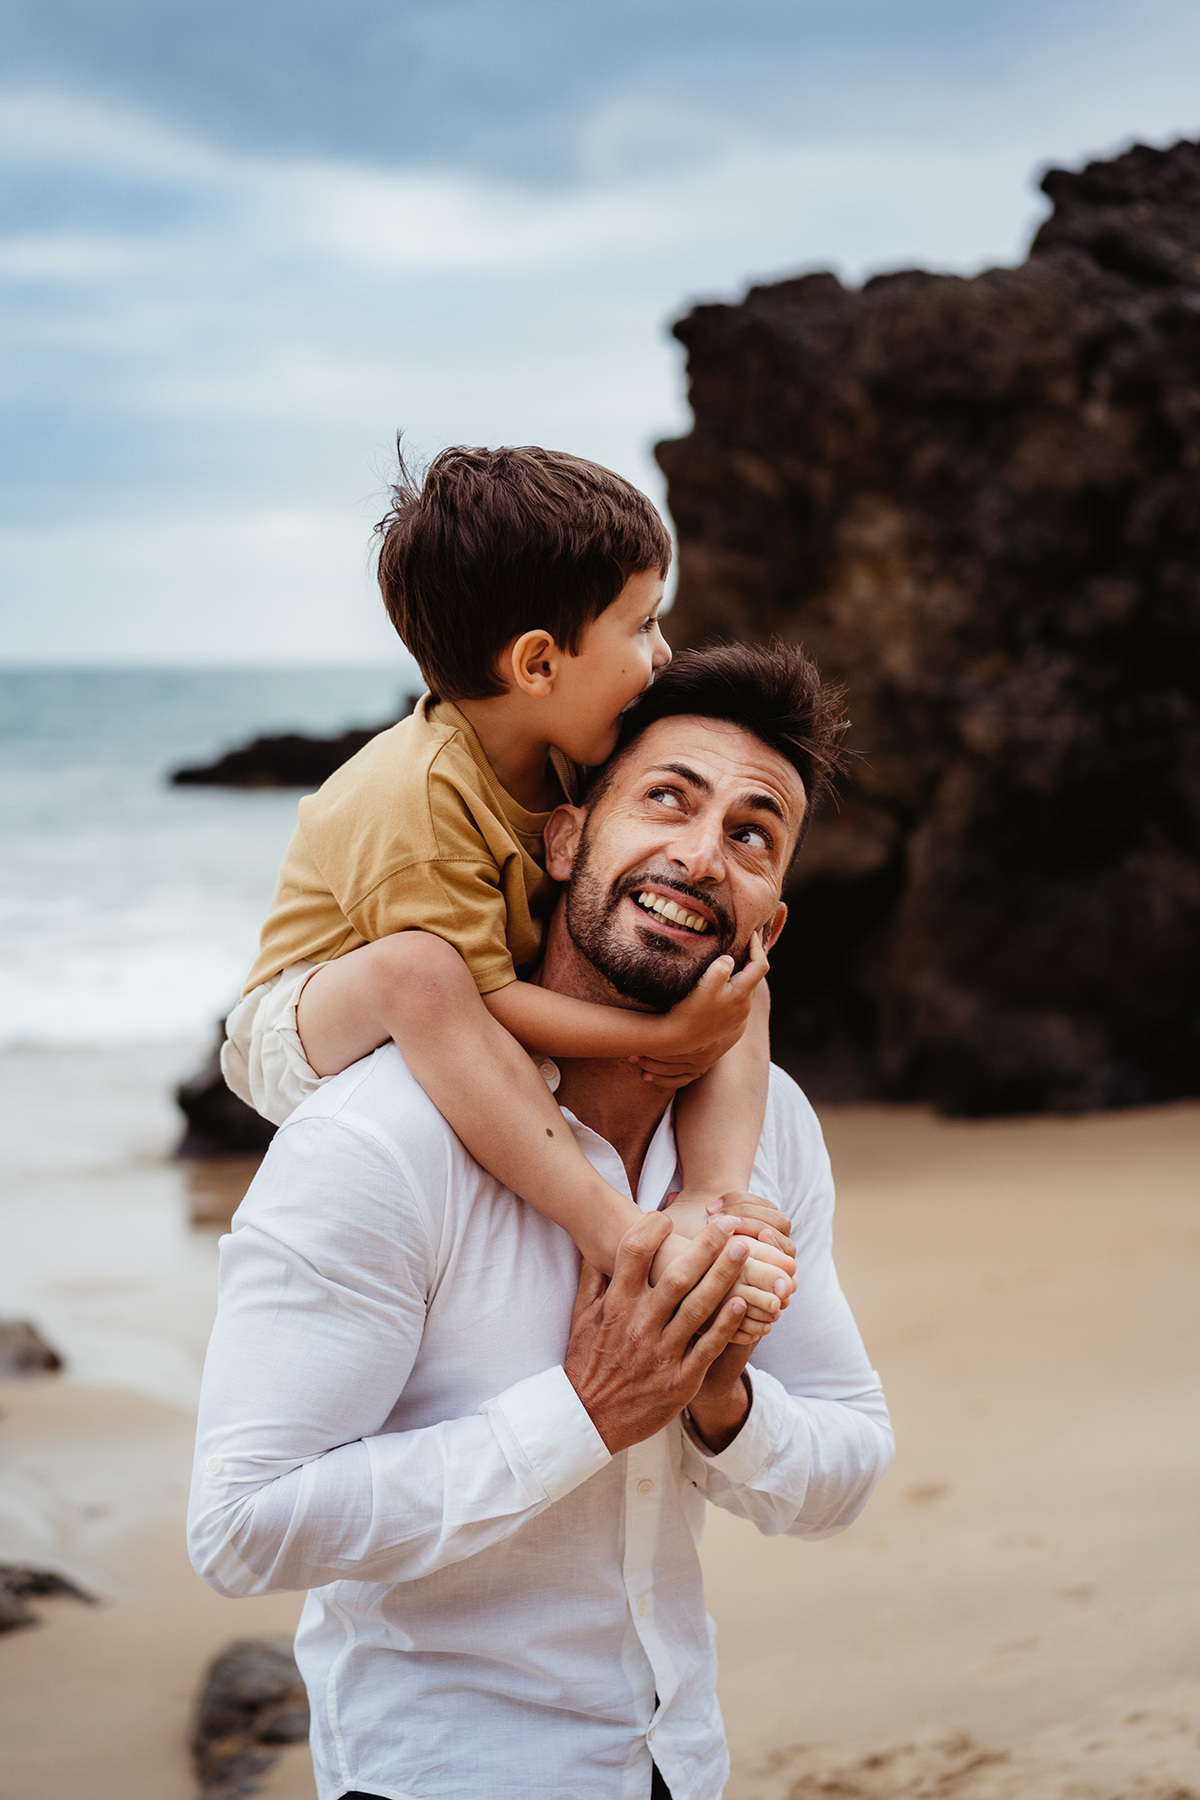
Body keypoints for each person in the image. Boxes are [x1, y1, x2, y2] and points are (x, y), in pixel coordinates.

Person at [189, 643, 894, 1800]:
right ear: (565, 838)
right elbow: (243, 1527)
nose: (701, 854)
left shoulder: (770, 1136)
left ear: (772, 916)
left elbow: (850, 1462)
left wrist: (720, 1397)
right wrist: (586, 1413)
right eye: (667, 797)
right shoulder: (381, 1141)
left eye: (753, 834)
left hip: (677, 1764)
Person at [222, 445, 791, 1326]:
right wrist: (662, 1030)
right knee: (419, 970)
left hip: (470, 989)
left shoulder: (569, 744)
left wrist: (700, 1013)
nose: (663, 651)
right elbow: (483, 1000)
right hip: (311, 1014)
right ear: (537, 665)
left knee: (732, 969)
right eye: (641, 626)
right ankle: (611, 1231)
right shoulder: (414, 798)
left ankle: (710, 1201)